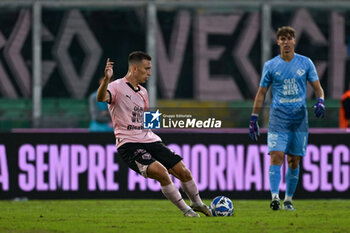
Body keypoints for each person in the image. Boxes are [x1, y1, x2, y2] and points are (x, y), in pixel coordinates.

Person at [96, 51, 211, 217]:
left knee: (183, 171)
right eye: (146, 69)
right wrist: (107, 79)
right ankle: (186, 211)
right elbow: (101, 98)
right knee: (162, 173)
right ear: (134, 68)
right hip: (129, 143)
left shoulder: (143, 91)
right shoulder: (116, 87)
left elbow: (148, 120)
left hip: (150, 140)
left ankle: (197, 203)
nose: (149, 73)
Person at [248, 26, 325, 211]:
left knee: (294, 160)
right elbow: (261, 93)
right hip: (278, 118)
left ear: (294, 41)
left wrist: (321, 101)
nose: (286, 42)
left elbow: (318, 88)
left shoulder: (305, 63)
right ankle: (275, 198)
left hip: (299, 119)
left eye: (289, 38)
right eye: (282, 38)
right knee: (277, 155)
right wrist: (254, 117)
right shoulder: (271, 65)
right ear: (278, 42)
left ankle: (288, 200)